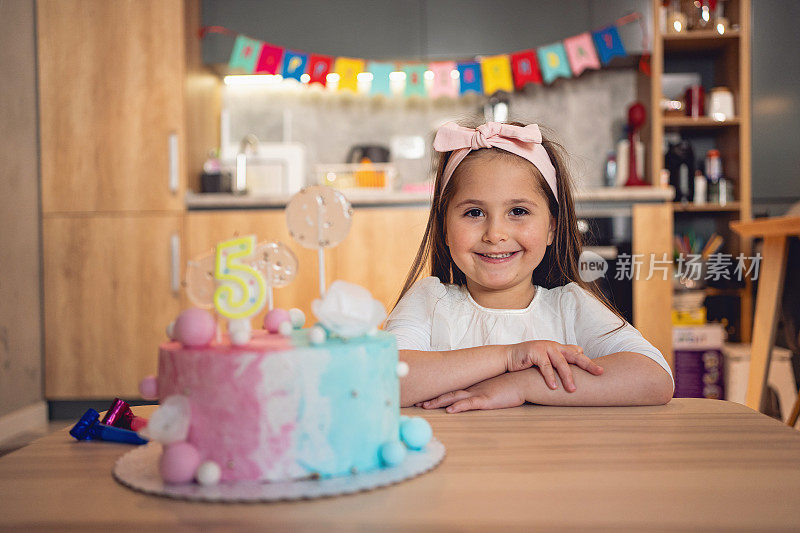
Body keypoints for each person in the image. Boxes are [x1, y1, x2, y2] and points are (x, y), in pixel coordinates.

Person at [385, 121, 674, 413]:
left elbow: (655, 377)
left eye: (518, 211)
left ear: (551, 227)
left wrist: (519, 384)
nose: (495, 233)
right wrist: (509, 357)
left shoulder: (569, 306)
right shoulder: (429, 301)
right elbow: (381, 381)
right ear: (444, 228)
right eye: (474, 212)